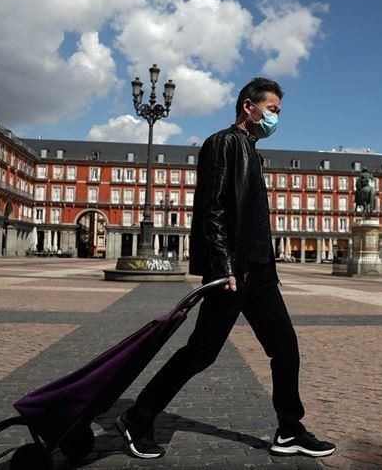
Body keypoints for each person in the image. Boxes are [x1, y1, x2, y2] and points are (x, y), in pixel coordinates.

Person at [116, 78, 336, 459]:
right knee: (200, 353)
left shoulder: (251, 150)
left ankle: (289, 430)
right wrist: (223, 264)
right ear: (249, 107)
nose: (276, 118)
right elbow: (212, 206)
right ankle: (137, 418)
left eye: (278, 111)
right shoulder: (223, 143)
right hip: (234, 271)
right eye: (272, 109)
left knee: (285, 347)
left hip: (259, 272)